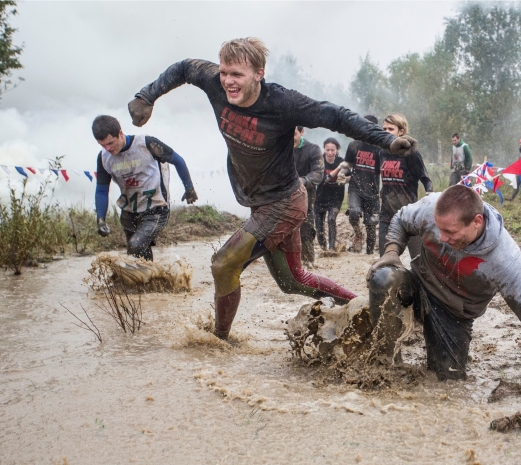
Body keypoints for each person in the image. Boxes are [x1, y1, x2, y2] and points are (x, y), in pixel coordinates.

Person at [127, 37, 418, 340]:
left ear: (259, 74)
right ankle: (368, 310)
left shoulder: (283, 103)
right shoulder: (213, 81)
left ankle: (218, 341)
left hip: (285, 203)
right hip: (260, 202)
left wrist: (386, 140)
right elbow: (184, 68)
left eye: (237, 74)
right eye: (224, 72)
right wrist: (147, 96)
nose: (228, 81)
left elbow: (336, 116)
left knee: (224, 264)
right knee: (293, 281)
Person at [366, 185, 521, 391]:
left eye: (450, 232)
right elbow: (401, 218)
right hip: (419, 284)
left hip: (452, 315)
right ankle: (386, 366)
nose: (442, 237)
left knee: (447, 384)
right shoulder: (429, 208)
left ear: (477, 222)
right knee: (384, 278)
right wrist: (392, 251)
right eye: (439, 229)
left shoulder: (505, 260)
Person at [92, 115, 197, 262]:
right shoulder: (104, 158)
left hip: (155, 208)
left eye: (110, 143)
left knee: (136, 245)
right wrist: (101, 220)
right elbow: (102, 190)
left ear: (120, 133)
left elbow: (177, 160)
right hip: (129, 212)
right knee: (137, 257)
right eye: (103, 145)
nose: (108, 148)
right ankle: (153, 276)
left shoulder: (147, 144)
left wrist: (189, 188)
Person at [378, 113, 432, 257]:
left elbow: (425, 178)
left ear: (401, 131)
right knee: (384, 258)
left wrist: (429, 194)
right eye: (384, 129)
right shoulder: (382, 152)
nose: (386, 132)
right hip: (386, 214)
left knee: (418, 258)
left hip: (409, 214)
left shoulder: (411, 153)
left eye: (391, 129)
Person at [340, 115, 382, 254]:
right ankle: (358, 233)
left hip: (372, 190)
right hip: (355, 187)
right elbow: (348, 164)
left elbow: (385, 169)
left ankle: (369, 254)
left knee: (371, 225)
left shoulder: (379, 148)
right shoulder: (354, 145)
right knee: (354, 212)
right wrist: (342, 173)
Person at [293, 126, 323, 267]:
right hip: (281, 197)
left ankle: (308, 261)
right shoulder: (279, 148)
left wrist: (303, 181)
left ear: (302, 132)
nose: (290, 138)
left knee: (306, 230)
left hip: (305, 197)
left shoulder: (313, 149)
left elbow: (318, 174)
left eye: (294, 134)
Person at [315, 138, 345, 251]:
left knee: (331, 219)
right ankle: (323, 249)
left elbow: (350, 175)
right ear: (324, 149)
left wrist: (344, 178)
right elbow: (323, 179)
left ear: (337, 150)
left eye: (333, 150)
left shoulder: (341, 161)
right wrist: (338, 169)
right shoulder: (319, 161)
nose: (330, 153)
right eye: (328, 150)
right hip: (320, 197)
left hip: (336, 197)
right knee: (319, 226)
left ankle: (332, 248)